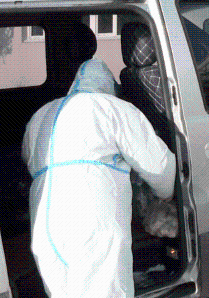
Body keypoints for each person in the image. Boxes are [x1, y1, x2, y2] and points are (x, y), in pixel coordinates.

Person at [22, 58, 176, 297]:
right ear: (110, 87)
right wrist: (166, 193)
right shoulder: (111, 107)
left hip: (45, 226)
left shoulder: (41, 115)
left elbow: (28, 158)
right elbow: (158, 166)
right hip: (90, 226)